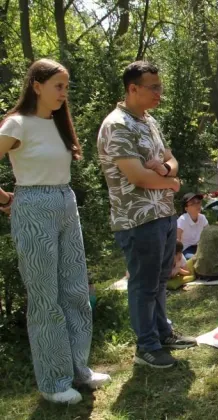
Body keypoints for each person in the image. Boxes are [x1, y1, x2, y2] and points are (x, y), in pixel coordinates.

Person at [0, 59, 110, 404]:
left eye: (66, 86)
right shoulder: (17, 123)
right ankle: (52, 382)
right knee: (45, 297)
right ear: (37, 85)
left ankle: (78, 369)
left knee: (75, 290)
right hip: (34, 206)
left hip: (65, 202)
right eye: (58, 86)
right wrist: (3, 196)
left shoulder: (57, 124)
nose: (64, 93)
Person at [98, 61, 196, 369]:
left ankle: (162, 334)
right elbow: (137, 177)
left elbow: (170, 158)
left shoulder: (148, 121)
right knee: (143, 283)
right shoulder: (117, 125)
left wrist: (166, 171)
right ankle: (146, 346)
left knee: (158, 279)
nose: (159, 93)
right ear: (132, 89)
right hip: (137, 220)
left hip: (163, 213)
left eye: (160, 87)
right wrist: (172, 182)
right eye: (153, 88)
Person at [177, 192, 208, 259]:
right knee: (197, 259)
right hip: (186, 249)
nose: (197, 205)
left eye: (198, 202)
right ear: (186, 208)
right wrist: (178, 254)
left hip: (199, 247)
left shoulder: (202, 218)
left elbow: (210, 234)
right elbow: (177, 239)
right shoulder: (182, 220)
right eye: (193, 203)